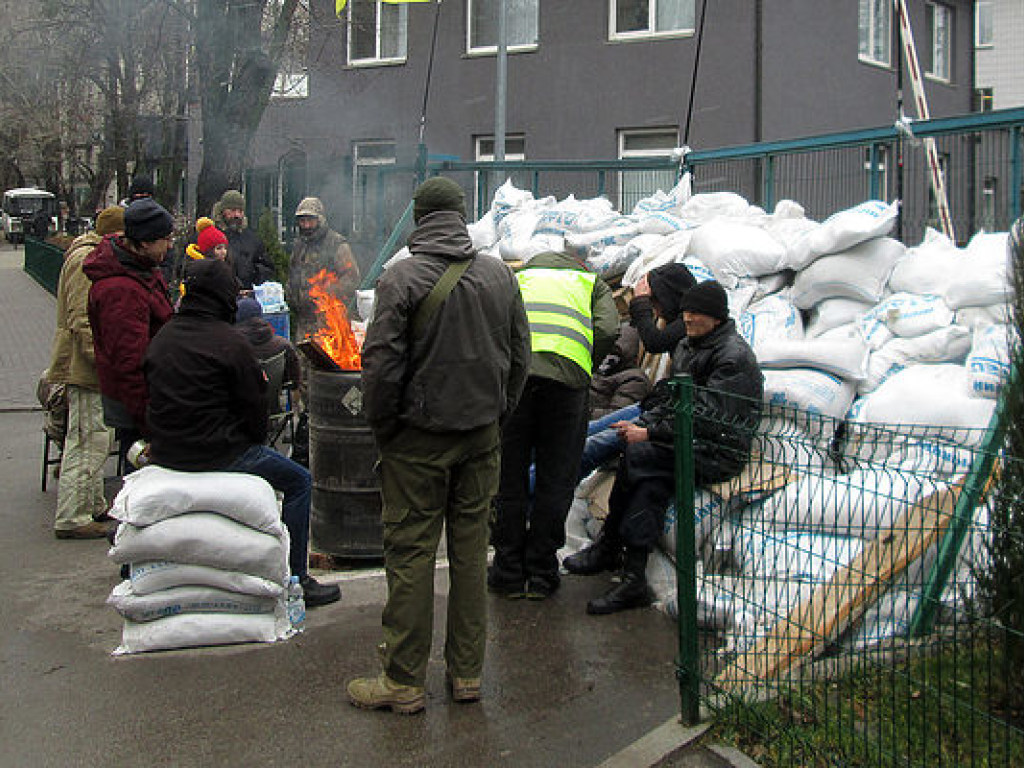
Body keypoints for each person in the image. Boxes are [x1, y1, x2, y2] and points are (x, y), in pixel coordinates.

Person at [348, 177, 531, 714]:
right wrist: (497, 415)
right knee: (472, 555)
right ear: (460, 215)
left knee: (411, 557)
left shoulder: (400, 276)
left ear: (419, 219)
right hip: (481, 438)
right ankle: (467, 674)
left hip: (417, 444)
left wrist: (384, 428)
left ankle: (403, 680)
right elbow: (520, 356)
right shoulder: (499, 274)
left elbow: (380, 366)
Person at [144, 259, 340, 607]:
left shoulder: (163, 338)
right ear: (224, 297)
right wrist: (250, 443)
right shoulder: (230, 344)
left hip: (167, 451)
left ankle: (141, 569)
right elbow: (256, 409)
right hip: (221, 453)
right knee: (299, 482)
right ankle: (298, 579)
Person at [563, 280, 763, 615]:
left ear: (716, 317)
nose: (687, 318)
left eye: (696, 313)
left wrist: (651, 432)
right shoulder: (688, 345)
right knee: (648, 477)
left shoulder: (733, 358)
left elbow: (710, 417)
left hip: (718, 450)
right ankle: (632, 574)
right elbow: (672, 398)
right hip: (684, 439)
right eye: (686, 311)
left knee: (640, 455)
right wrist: (645, 423)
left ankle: (611, 547)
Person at [489, 249, 618, 600]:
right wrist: (582, 362)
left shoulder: (516, 279)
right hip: (567, 389)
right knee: (555, 479)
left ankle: (507, 572)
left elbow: (493, 326)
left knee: (508, 478)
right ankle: (542, 573)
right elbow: (608, 327)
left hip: (516, 384)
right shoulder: (590, 282)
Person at [576, 263, 697, 480]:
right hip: (661, 406)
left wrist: (640, 301)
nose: (656, 311)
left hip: (666, 414)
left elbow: (654, 342)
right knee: (580, 435)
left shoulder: (687, 325)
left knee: (585, 448)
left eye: (655, 302)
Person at [48, 206, 124, 539]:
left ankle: (91, 503)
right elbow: (83, 320)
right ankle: (73, 516)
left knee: (97, 436)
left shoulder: (85, 255)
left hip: (87, 365)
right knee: (86, 439)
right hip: (84, 367)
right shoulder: (84, 262)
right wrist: (103, 360)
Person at [83, 199, 176, 468]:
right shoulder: (120, 290)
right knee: (140, 474)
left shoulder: (140, 269)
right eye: (165, 239)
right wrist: (148, 421)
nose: (169, 246)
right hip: (139, 404)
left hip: (149, 395)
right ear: (145, 242)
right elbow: (129, 363)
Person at [286, 196, 361, 344]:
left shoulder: (336, 244)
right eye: (302, 221)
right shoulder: (299, 246)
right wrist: (291, 295)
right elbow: (293, 274)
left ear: (320, 220)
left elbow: (352, 278)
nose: (306, 225)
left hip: (328, 322)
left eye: (310, 220)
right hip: (304, 321)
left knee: (326, 363)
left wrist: (325, 295)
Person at [234, 296, 302, 408]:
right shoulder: (283, 346)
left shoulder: (231, 348)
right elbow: (294, 383)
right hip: (273, 409)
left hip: (239, 413)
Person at [213, 189, 276, 290]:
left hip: (246, 297)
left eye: (240, 211)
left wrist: (252, 273)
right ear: (222, 211)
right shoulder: (209, 236)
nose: (237, 215)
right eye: (232, 210)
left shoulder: (252, 239)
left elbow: (267, 267)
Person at [589, 324, 652, 419]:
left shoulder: (635, 379)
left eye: (614, 351)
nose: (608, 356)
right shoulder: (595, 369)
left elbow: (615, 417)